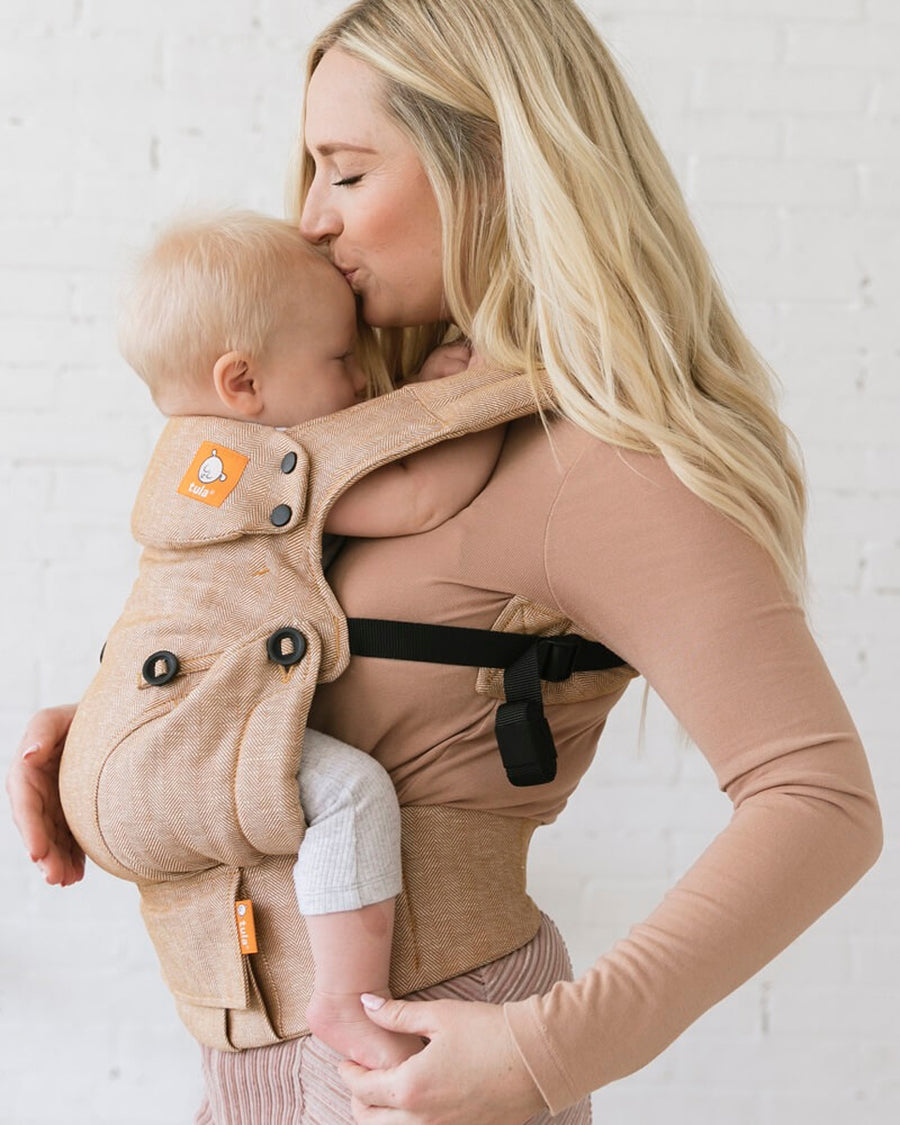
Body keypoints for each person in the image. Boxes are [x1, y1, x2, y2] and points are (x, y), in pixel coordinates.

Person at [7, 1, 883, 1124]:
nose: (312, 219)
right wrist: (132, 730)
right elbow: (351, 687)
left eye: (347, 171)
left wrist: (547, 1051)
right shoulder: (369, 436)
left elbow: (820, 803)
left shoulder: (602, 462)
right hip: (253, 1079)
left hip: (421, 1072)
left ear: (494, 161)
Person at [66, 208, 505, 1072]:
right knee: (351, 796)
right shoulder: (259, 463)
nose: (357, 387)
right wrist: (474, 395)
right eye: (341, 361)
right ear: (244, 383)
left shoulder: (195, 459)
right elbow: (416, 496)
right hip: (173, 747)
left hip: (124, 750)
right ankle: (342, 999)